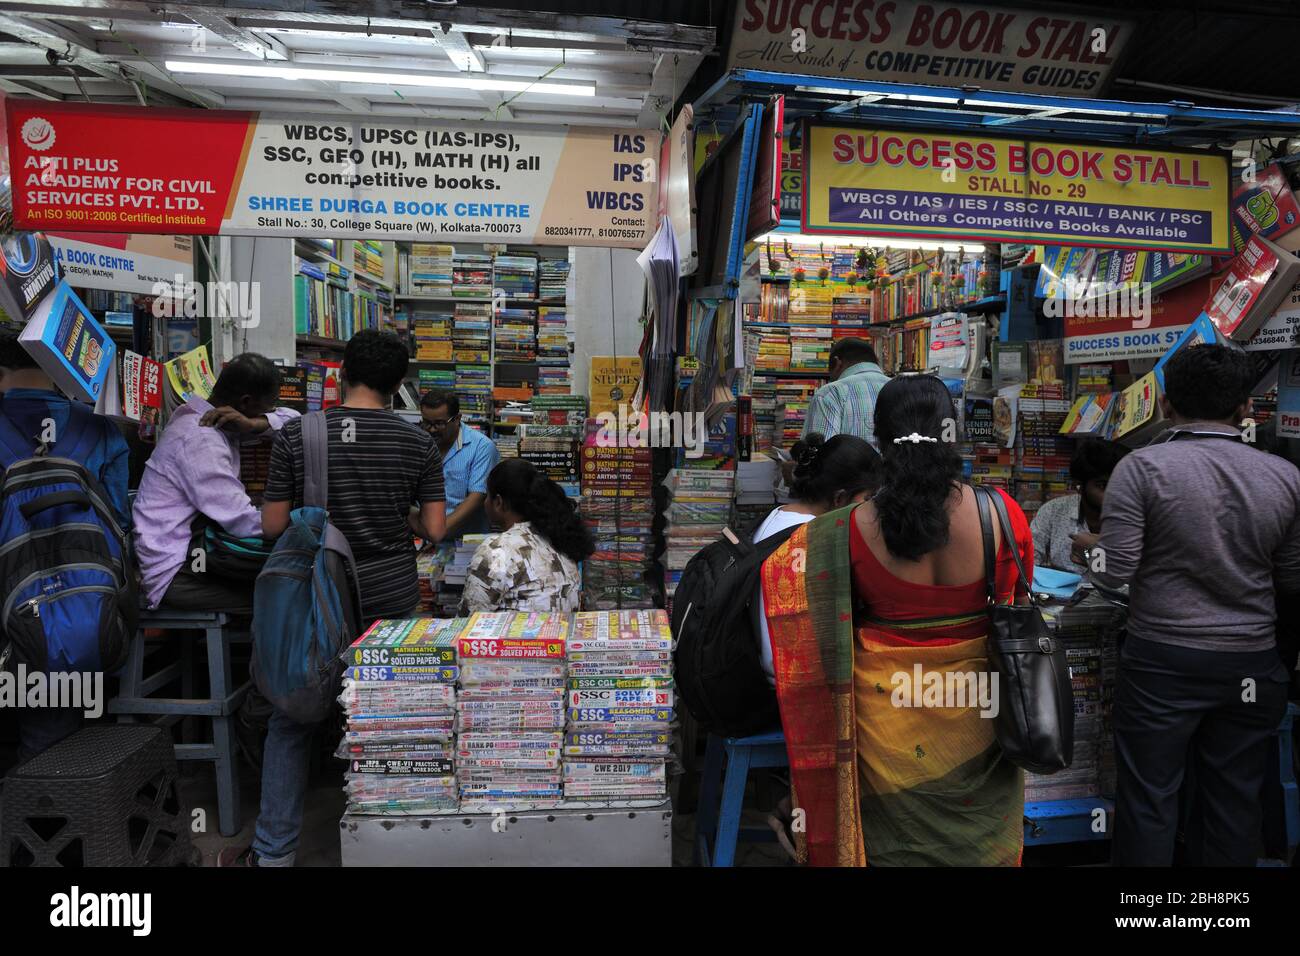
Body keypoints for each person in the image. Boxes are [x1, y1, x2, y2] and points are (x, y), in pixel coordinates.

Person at [760, 375, 1034, 866]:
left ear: (878, 436)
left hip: (883, 726)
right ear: (951, 431)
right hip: (983, 717)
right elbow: (1017, 602)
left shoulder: (842, 530)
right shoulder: (1004, 514)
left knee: (891, 848)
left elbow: (793, 592)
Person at [222, 330, 446, 868]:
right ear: (399, 387)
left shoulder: (299, 435)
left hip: (316, 601)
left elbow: (273, 525)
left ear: (341, 374)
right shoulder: (418, 443)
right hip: (389, 593)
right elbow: (435, 530)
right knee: (388, 715)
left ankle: (273, 853)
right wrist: (402, 515)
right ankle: (391, 846)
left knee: (291, 718)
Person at [1092, 344, 1299, 867]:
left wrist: (1090, 550)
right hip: (1251, 664)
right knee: (1233, 801)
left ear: (1164, 404)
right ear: (1246, 409)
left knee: (1149, 799)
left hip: (1163, 660)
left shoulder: (1141, 469)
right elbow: (1292, 578)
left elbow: (1115, 571)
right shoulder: (1284, 477)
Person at [0, 334, 131, 761]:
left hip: (10, 603)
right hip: (83, 610)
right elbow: (120, 521)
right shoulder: (100, 429)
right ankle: (59, 802)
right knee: (61, 719)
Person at [133, 352, 298, 613]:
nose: (271, 410)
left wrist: (255, 423)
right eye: (267, 406)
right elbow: (241, 521)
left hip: (195, 552)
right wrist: (297, 525)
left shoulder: (218, 422)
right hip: (178, 573)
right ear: (245, 401)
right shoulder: (201, 439)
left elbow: (294, 422)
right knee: (288, 591)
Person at [752, 432, 881, 685]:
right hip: (792, 689)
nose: (869, 510)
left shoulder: (777, 517)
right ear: (839, 498)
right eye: (866, 500)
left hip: (767, 675)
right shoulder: (815, 539)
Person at [459, 458, 591, 613]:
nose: (485, 502)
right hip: (558, 633)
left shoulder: (496, 550)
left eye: (488, 496)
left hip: (518, 637)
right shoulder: (559, 537)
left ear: (499, 502)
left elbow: (468, 621)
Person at [1028, 437, 1129, 572]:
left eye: (1120, 484)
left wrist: (1094, 552)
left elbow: (1132, 577)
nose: (1114, 493)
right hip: (1062, 592)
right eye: (1103, 486)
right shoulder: (1053, 511)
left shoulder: (1135, 517)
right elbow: (1027, 563)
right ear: (1080, 485)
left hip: (1114, 592)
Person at [420, 390, 499, 539]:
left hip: (465, 541)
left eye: (439, 423)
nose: (431, 429)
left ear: (457, 418)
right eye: (426, 423)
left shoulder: (482, 447)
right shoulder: (419, 442)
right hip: (423, 536)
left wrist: (439, 530)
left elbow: (476, 497)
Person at [801, 337, 890, 445]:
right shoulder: (903, 389)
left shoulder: (830, 393)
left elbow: (818, 453)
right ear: (877, 360)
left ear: (837, 363)